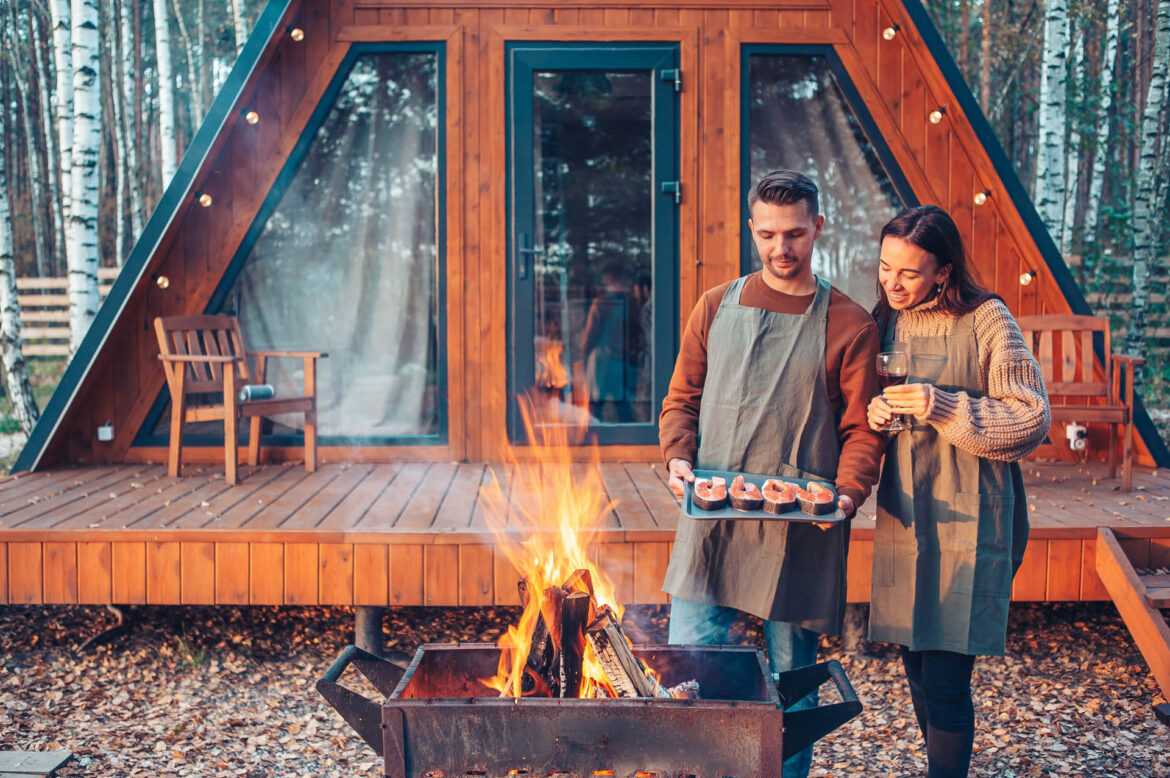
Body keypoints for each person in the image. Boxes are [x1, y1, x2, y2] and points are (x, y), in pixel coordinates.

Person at [659, 170, 885, 778]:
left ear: (818, 227)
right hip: (713, 518)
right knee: (685, 672)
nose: (780, 249)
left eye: (793, 234)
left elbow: (864, 429)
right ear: (751, 230)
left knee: (793, 685)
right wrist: (679, 459)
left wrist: (847, 493)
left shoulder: (850, 322)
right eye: (767, 234)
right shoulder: (715, 305)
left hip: (801, 525)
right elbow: (681, 399)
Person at [865, 205, 1050, 778]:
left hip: (973, 510)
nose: (892, 283)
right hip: (908, 508)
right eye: (884, 267)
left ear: (944, 271)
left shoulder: (988, 318)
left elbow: (1032, 419)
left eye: (910, 273)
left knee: (945, 675)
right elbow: (880, 403)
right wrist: (878, 413)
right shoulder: (886, 318)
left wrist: (943, 405)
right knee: (916, 666)